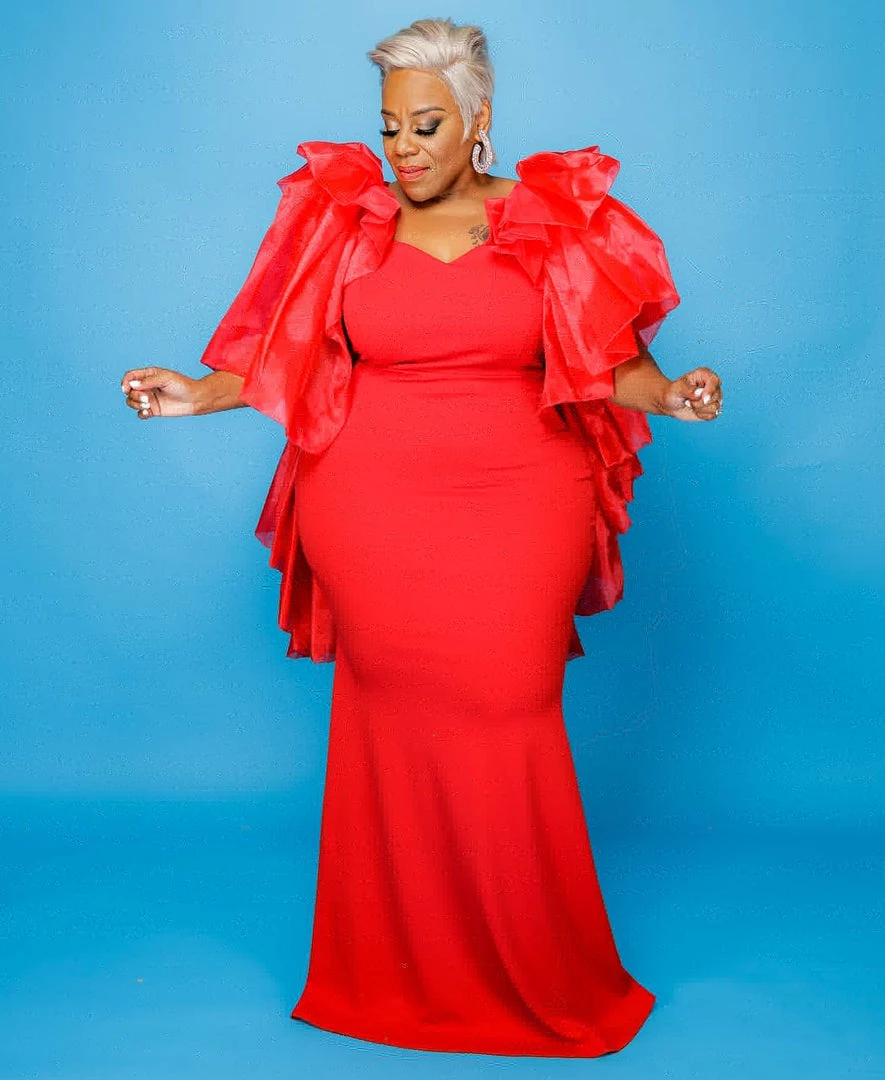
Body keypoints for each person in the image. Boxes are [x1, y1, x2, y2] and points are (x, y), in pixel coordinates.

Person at [120, 17, 722, 1058]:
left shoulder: (546, 218)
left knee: (511, 707)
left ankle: (537, 974)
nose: (403, 149)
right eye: (390, 126)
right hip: (369, 504)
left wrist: (671, 393)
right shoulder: (347, 220)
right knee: (391, 722)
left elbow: (603, 362)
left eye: (426, 126)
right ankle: (391, 979)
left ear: (477, 121)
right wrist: (194, 394)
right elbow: (290, 350)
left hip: (523, 496)